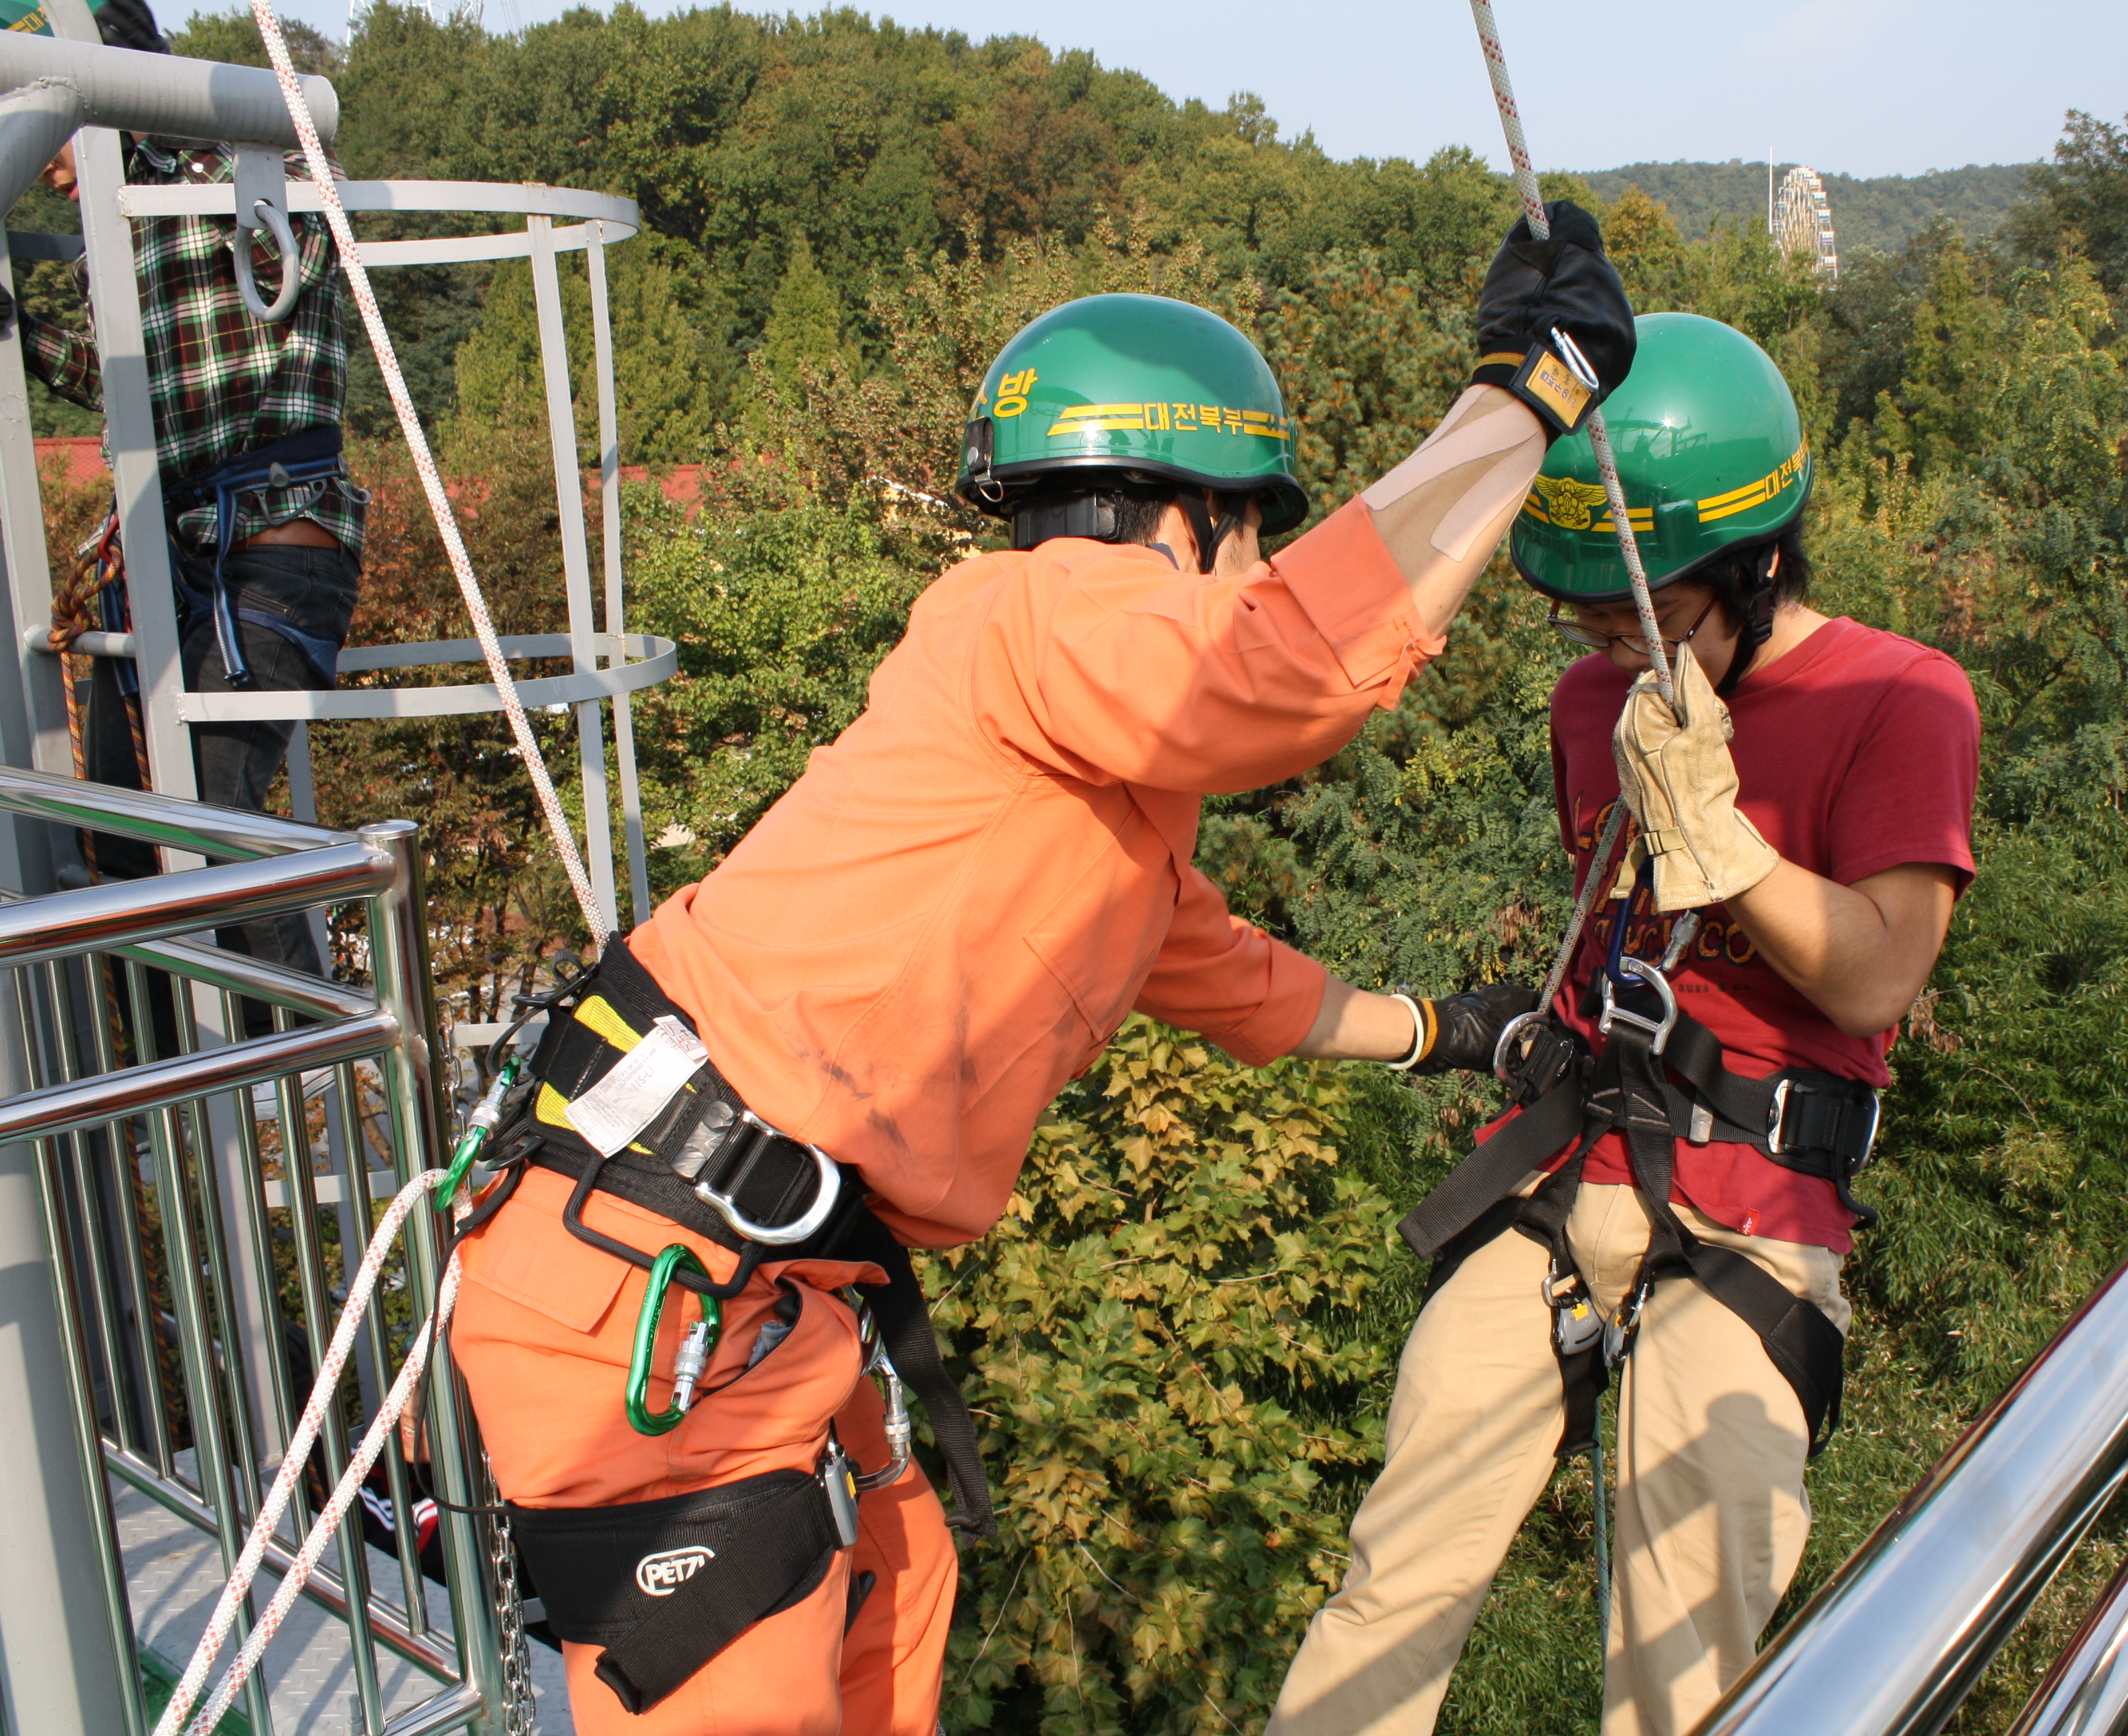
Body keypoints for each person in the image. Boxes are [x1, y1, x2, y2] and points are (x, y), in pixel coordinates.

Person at [446, 208, 1640, 1735]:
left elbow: (1225, 973)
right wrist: (1521, 402)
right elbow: (1287, 669)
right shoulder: (1034, 610)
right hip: (655, 1289)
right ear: (1175, 513)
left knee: (894, 1610)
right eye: (1256, 528)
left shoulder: (1092, 785)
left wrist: (1455, 1036)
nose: (1261, 565)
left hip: (726, 1279)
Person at [1266, 312, 1983, 1736]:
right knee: (1393, 1578)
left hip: (1754, 1207)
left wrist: (1721, 839)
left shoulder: (1897, 697)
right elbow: (1613, 936)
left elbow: (1880, 979)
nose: (1607, 644)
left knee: (1681, 1667)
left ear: (1761, 564)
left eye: (1640, 616)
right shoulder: (1592, 697)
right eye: (1587, 619)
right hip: (1570, 1160)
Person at [9, 0, 366, 974]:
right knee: (123, 839)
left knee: (214, 822)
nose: (40, 159)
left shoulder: (234, 175)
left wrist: (136, 95)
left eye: (43, 120)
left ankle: (289, 1060)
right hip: (172, 553)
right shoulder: (115, 228)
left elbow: (299, 240)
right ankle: (188, 1076)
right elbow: (121, 378)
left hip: (272, 541)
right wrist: (20, 329)